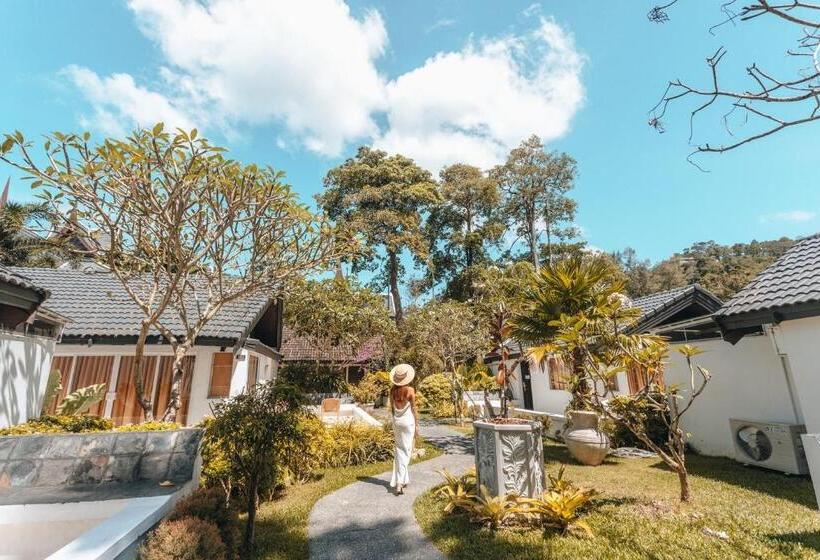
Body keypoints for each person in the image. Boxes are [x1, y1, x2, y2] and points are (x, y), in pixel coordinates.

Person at [389, 363, 419, 495]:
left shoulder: (392, 391)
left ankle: (403, 479)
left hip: (397, 422)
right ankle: (399, 483)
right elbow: (414, 409)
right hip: (408, 423)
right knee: (406, 451)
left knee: (399, 449)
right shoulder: (410, 391)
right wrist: (417, 425)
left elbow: (391, 408)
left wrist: (394, 421)